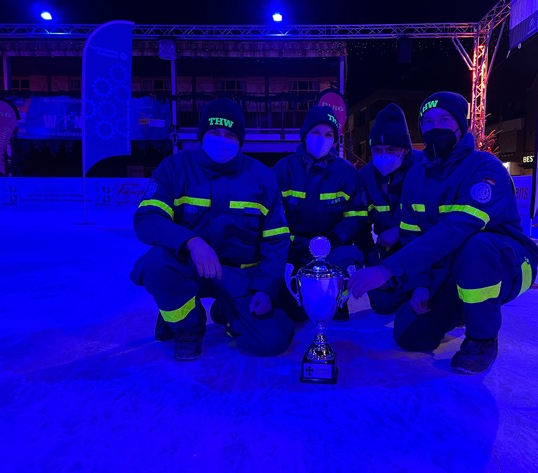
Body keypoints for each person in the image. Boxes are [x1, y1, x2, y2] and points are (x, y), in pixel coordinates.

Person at [349, 91, 538, 374]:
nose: (434, 126)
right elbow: (412, 234)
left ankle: (482, 339)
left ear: (461, 124)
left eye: (443, 119)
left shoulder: (483, 168)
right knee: (409, 335)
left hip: (506, 263)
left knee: (476, 246)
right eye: (427, 122)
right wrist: (420, 285)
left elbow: (457, 228)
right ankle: (460, 308)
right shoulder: (418, 175)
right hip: (448, 268)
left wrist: (387, 269)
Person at [130, 98, 294, 361]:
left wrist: (266, 288)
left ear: (240, 139)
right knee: (157, 266)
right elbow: (147, 218)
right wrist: (191, 242)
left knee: (271, 340)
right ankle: (186, 328)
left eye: (230, 134)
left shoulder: (262, 177)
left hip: (239, 277)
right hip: (188, 266)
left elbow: (276, 241)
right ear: (201, 135)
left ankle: (226, 311)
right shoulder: (175, 168)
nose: (222, 140)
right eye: (214, 132)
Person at [273, 104, 367, 321]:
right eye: (316, 132)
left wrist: (334, 238)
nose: (321, 138)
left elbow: (357, 215)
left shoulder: (346, 173)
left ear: (334, 139)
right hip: (292, 248)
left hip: (331, 248)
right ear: (305, 134)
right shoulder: (283, 169)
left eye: (328, 134)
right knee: (294, 313)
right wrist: (290, 245)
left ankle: (336, 301)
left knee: (346, 256)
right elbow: (272, 216)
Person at [357, 103, 421, 314]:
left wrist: (399, 231)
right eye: (377, 150)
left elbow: (438, 224)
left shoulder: (424, 170)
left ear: (405, 148)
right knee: (382, 306)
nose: (384, 156)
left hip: (421, 249)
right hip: (386, 252)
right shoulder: (366, 176)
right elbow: (361, 227)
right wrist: (374, 265)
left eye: (391, 149)